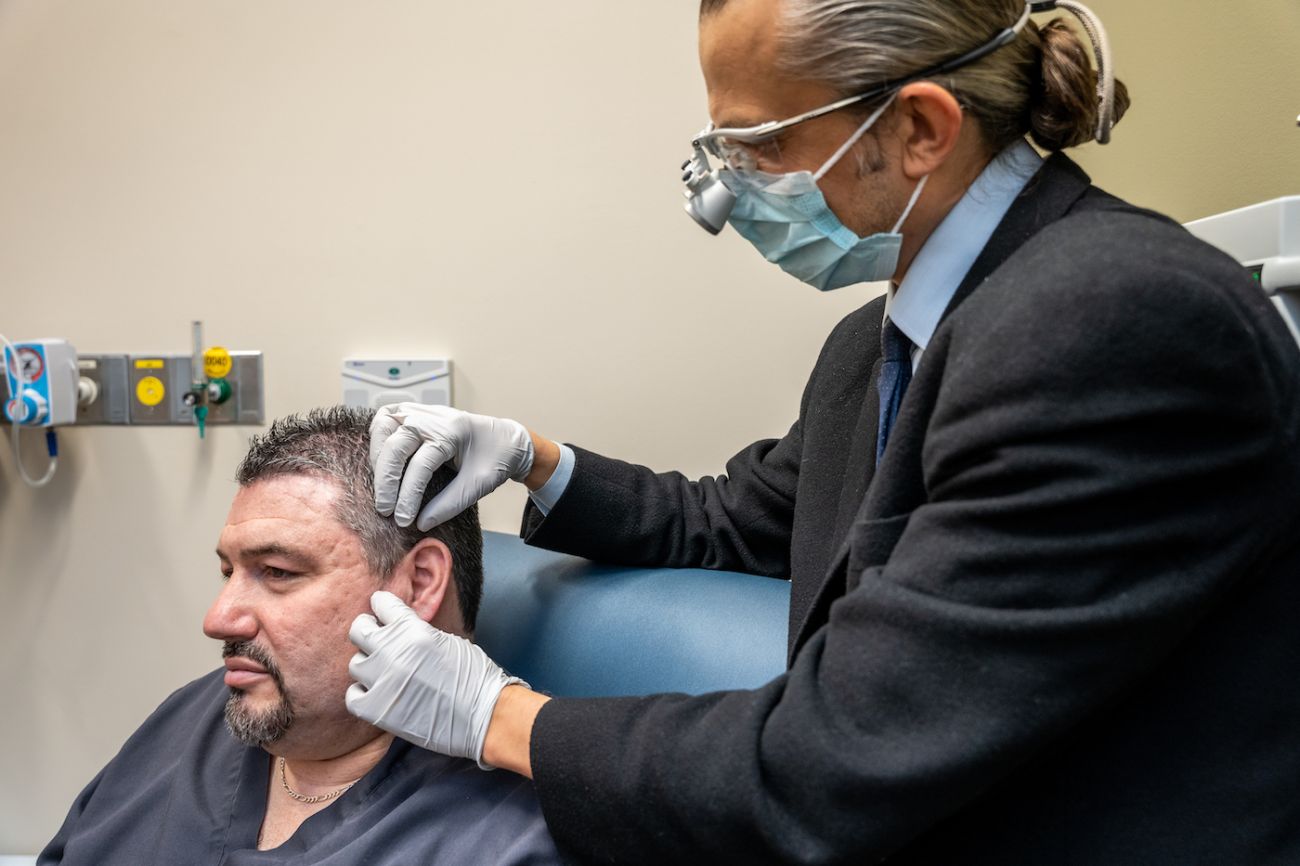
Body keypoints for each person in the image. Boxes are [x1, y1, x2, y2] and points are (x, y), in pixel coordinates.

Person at [348, 0, 1300, 863]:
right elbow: (736, 520)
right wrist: (528, 455)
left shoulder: (1117, 321)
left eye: (758, 145)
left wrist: (497, 716)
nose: (721, 199)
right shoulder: (878, 344)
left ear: (921, 128)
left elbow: (842, 754)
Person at [39, 407, 559, 865]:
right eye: (228, 573)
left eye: (278, 572)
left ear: (419, 583)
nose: (218, 619)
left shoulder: (503, 836)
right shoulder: (188, 720)